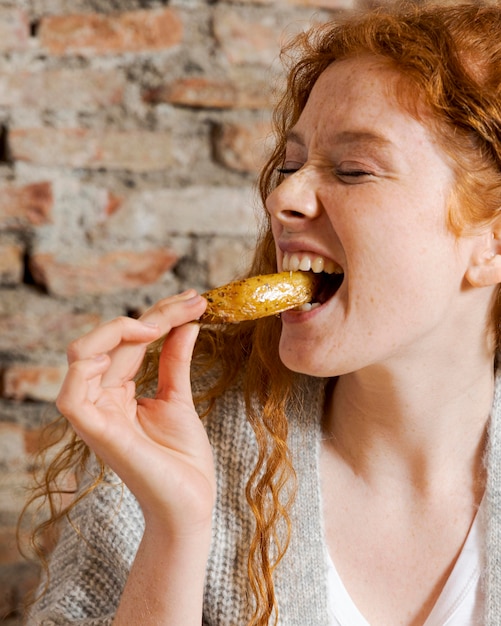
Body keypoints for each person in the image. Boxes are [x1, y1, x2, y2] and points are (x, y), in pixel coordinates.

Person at [21, 1, 501, 624]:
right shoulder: (152, 469)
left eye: (354, 170)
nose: (282, 197)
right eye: (292, 163)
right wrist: (176, 528)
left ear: (490, 241)